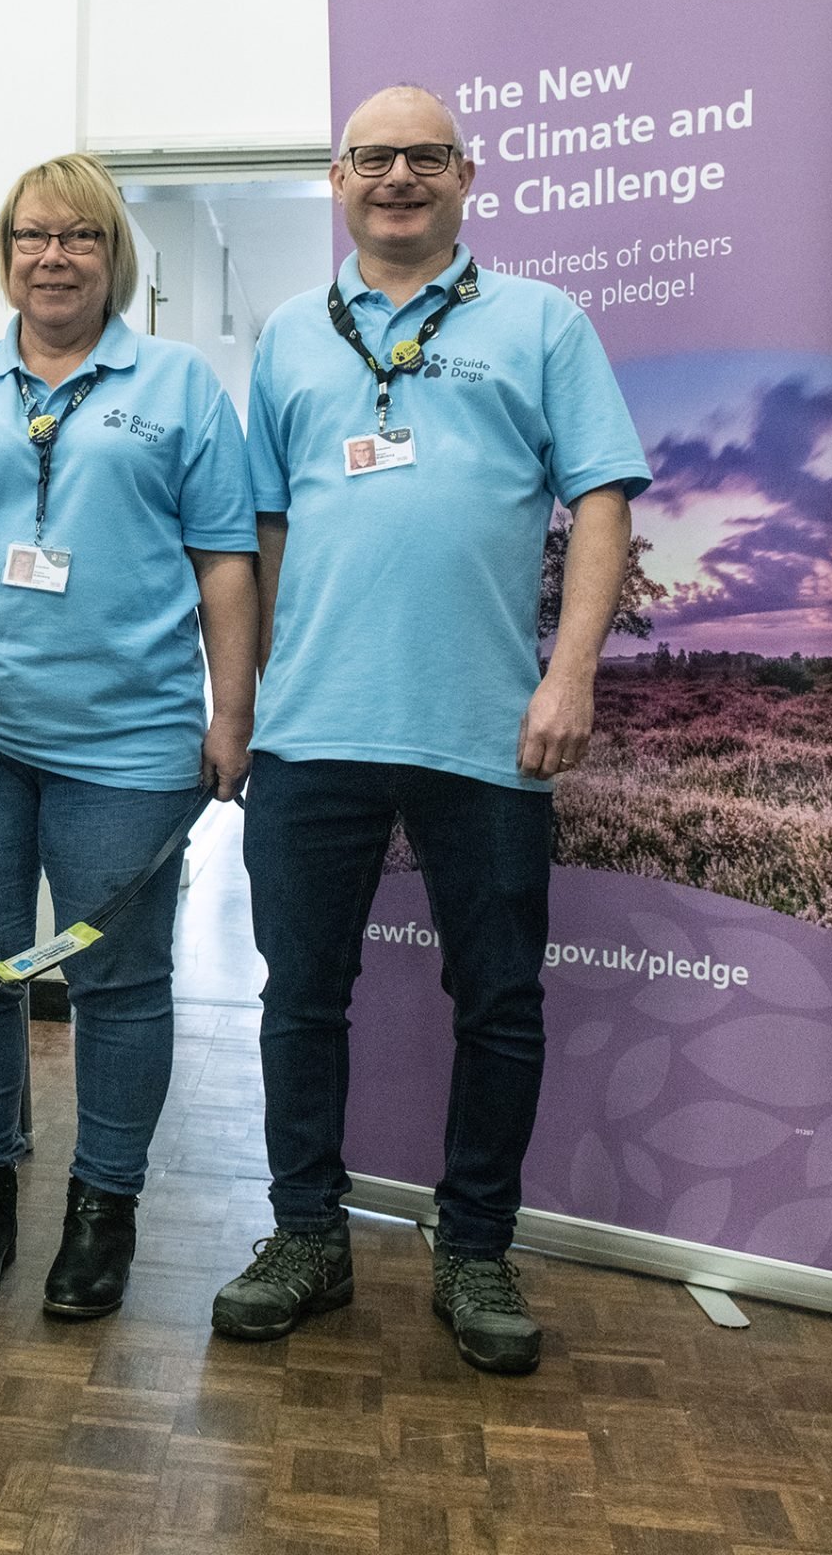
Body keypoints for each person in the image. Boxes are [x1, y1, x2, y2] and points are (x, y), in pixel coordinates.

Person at [213, 85, 648, 1376]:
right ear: (340, 179)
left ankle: (473, 1250)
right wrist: (250, 699)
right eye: (372, 158)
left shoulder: (542, 322)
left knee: (500, 1001)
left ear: (467, 175)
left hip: (487, 728)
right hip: (313, 729)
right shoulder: (293, 333)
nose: (396, 177)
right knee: (301, 997)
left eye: (423, 158)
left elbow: (603, 502)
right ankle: (306, 1237)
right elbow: (263, 527)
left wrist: (568, 678)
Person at [0, 151, 256, 1320]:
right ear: (6, 253)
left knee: (120, 982)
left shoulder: (179, 384)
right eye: (34, 235)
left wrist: (230, 711)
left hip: (129, 742)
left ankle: (104, 1206)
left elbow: (225, 559)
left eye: (80, 237)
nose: (54, 255)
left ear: (112, 256)